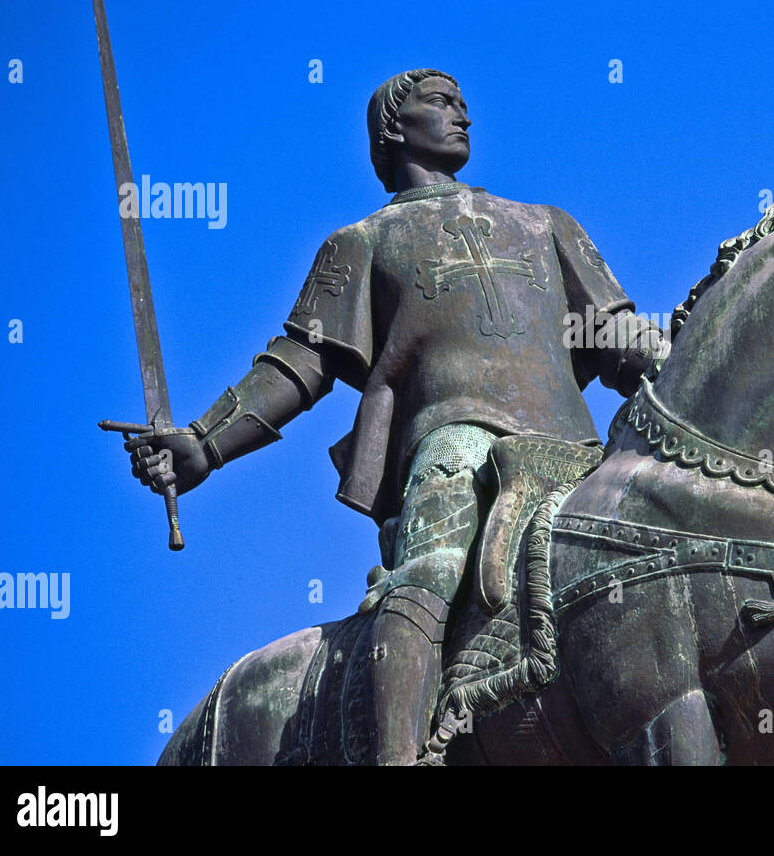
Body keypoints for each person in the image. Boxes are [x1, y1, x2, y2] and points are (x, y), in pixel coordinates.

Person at [125, 68, 665, 763]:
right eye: (442, 103)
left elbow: (620, 341)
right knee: (431, 572)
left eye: (465, 103)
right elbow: (300, 361)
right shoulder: (362, 243)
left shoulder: (546, 224)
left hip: (579, 453)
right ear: (392, 128)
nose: (463, 115)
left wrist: (705, 356)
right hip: (456, 446)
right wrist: (205, 442)